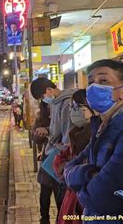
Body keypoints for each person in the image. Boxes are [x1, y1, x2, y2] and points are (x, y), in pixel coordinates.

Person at [64, 59, 123, 223]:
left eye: (103, 81)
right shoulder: (101, 129)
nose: (94, 87)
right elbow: (68, 169)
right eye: (91, 82)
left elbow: (96, 199)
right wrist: (91, 173)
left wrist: (81, 180)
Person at [30, 77, 78, 221]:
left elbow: (66, 136)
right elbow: (55, 130)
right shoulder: (56, 103)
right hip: (52, 155)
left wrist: (50, 136)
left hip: (60, 157)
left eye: (43, 97)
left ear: (49, 90)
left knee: (61, 198)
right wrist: (47, 131)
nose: (44, 100)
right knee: (47, 193)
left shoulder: (67, 103)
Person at [52, 89, 95, 224]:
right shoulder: (75, 133)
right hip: (71, 200)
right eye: (72, 107)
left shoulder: (98, 135)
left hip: (84, 203)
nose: (73, 112)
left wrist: (69, 169)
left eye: (78, 107)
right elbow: (60, 159)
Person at [32, 101, 59, 224]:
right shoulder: (41, 117)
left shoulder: (62, 115)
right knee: (45, 192)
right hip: (47, 158)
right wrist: (40, 133)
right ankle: (44, 219)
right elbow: (36, 138)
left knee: (60, 194)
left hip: (61, 159)